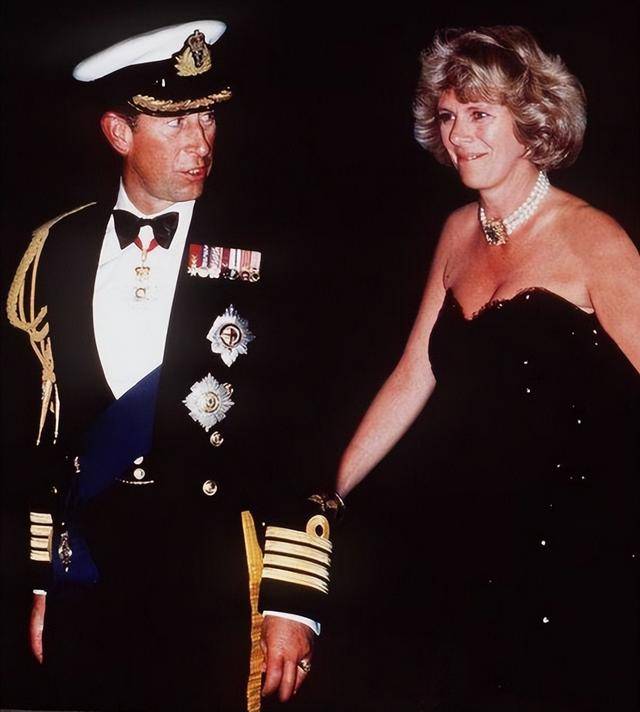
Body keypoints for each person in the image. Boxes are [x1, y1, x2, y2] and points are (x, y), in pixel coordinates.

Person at [6, 20, 338, 711]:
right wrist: (40, 579)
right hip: (88, 570)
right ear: (118, 132)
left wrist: (292, 598)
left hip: (211, 577)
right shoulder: (55, 248)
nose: (201, 142)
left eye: (208, 116)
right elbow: (43, 431)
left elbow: (304, 428)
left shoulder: (269, 250)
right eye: (176, 121)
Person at [336, 26, 640, 710]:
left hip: (583, 554)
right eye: (448, 116)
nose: (459, 135)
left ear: (532, 122)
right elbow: (414, 372)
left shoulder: (594, 240)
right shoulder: (455, 233)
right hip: (478, 541)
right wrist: (333, 490)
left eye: (479, 114)